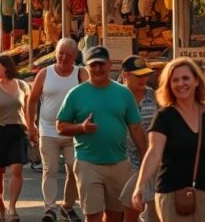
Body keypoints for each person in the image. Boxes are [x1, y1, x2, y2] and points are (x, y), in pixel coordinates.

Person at [132, 58, 205, 222]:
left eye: (185, 78)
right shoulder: (164, 117)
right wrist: (140, 186)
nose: (181, 84)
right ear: (169, 85)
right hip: (171, 194)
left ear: (196, 81)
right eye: (175, 80)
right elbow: (154, 153)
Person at [57, 46, 147, 222]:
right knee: (93, 214)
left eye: (101, 64)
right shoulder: (75, 94)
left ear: (109, 65)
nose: (97, 69)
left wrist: (146, 157)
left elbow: (135, 127)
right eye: (93, 65)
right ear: (87, 67)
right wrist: (81, 128)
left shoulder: (123, 93)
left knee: (114, 215)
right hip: (88, 163)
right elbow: (60, 126)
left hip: (119, 163)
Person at [26, 38, 88, 222]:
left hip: (73, 130)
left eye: (68, 55)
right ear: (56, 53)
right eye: (60, 53)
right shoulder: (45, 73)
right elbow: (32, 100)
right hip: (48, 130)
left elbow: (91, 95)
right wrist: (31, 124)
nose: (63, 58)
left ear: (75, 56)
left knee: (74, 168)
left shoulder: (81, 74)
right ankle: (50, 208)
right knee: (50, 169)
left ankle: (67, 206)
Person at [0, 53, 31, 222]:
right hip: (0, 132)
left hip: (18, 131)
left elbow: (27, 111)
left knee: (17, 169)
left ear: (5, 67)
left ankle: (12, 206)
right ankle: (0, 204)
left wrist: (32, 127)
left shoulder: (23, 85)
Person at [118, 56, 160, 222]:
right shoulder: (117, 96)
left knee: (154, 209)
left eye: (146, 75)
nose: (143, 79)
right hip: (126, 160)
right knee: (131, 208)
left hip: (152, 159)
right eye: (139, 76)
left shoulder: (154, 96)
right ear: (125, 75)